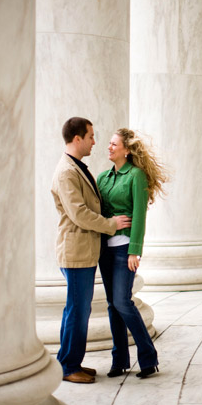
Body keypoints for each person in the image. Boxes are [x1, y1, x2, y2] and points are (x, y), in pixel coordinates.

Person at [51, 117, 131, 384]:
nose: (95, 142)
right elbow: (80, 214)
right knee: (77, 309)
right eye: (91, 136)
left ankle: (69, 361)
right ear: (77, 139)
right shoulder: (66, 172)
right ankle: (69, 366)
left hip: (83, 251)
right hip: (75, 251)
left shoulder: (77, 167)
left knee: (77, 308)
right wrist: (111, 225)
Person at [97, 128, 167, 379]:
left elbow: (139, 215)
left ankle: (148, 358)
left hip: (125, 249)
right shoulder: (102, 178)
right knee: (112, 305)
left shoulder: (136, 176)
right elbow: (98, 213)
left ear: (127, 150)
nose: (109, 147)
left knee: (122, 302)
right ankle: (120, 361)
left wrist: (135, 250)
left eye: (114, 144)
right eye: (109, 143)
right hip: (104, 250)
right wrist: (109, 221)